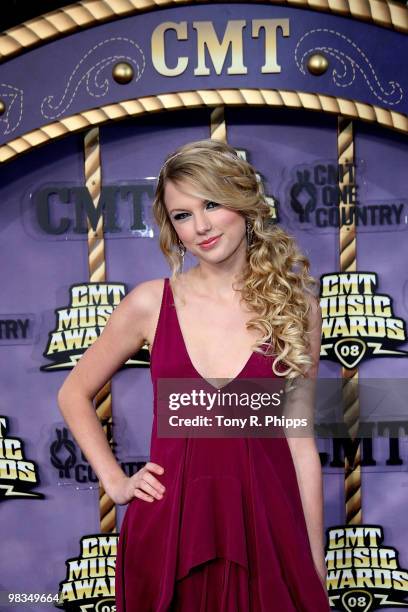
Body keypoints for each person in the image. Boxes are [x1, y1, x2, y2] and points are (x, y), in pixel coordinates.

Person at [57, 139, 330, 611]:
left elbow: (299, 443)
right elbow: (73, 392)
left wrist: (314, 561)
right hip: (171, 532)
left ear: (245, 204)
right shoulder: (149, 302)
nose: (201, 226)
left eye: (212, 204)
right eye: (183, 215)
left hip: (268, 529)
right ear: (172, 228)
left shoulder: (297, 310)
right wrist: (117, 483)